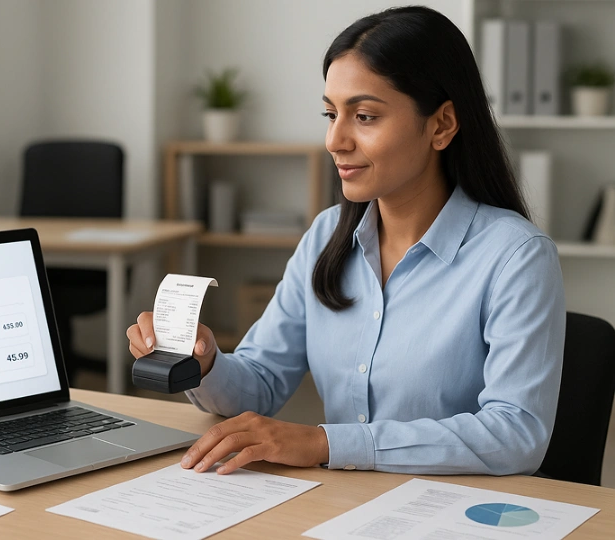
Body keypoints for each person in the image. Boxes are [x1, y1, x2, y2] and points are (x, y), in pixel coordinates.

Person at [127, 5, 565, 476]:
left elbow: (516, 433)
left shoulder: (515, 257)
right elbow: (261, 381)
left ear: (441, 125)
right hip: (344, 505)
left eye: (365, 116)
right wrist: (207, 361)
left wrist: (325, 443)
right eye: (331, 113)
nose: (335, 140)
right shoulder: (325, 236)